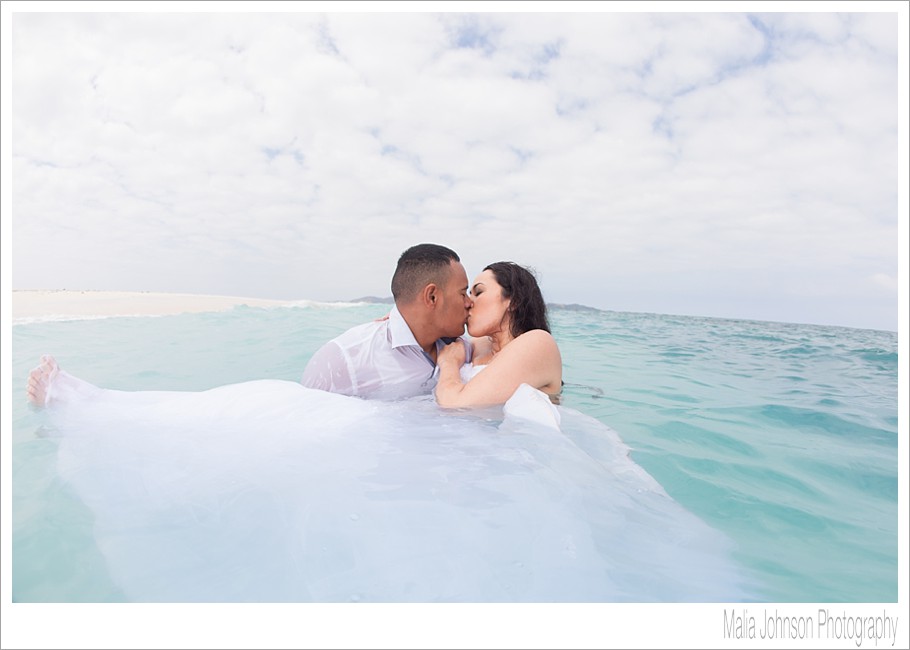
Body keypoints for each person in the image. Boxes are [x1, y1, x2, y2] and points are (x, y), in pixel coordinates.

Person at [300, 243, 473, 400]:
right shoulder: (345, 359)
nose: (469, 302)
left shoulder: (463, 348)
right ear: (432, 297)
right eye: (462, 294)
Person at [434, 261, 562, 408]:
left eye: (479, 292)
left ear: (514, 301)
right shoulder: (479, 343)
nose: (468, 302)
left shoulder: (539, 343)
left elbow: (455, 405)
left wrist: (448, 363)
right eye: (468, 294)